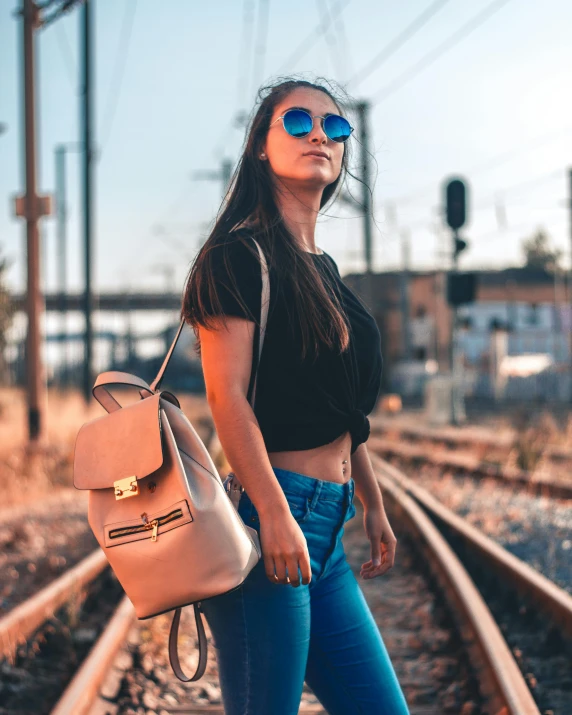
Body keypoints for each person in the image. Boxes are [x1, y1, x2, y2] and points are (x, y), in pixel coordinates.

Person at [181, 77, 410, 715]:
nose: (319, 134)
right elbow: (227, 400)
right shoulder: (236, 258)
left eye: (335, 128)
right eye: (298, 121)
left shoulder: (325, 270)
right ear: (260, 145)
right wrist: (275, 511)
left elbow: (344, 411)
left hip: (326, 531)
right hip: (271, 522)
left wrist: (371, 499)